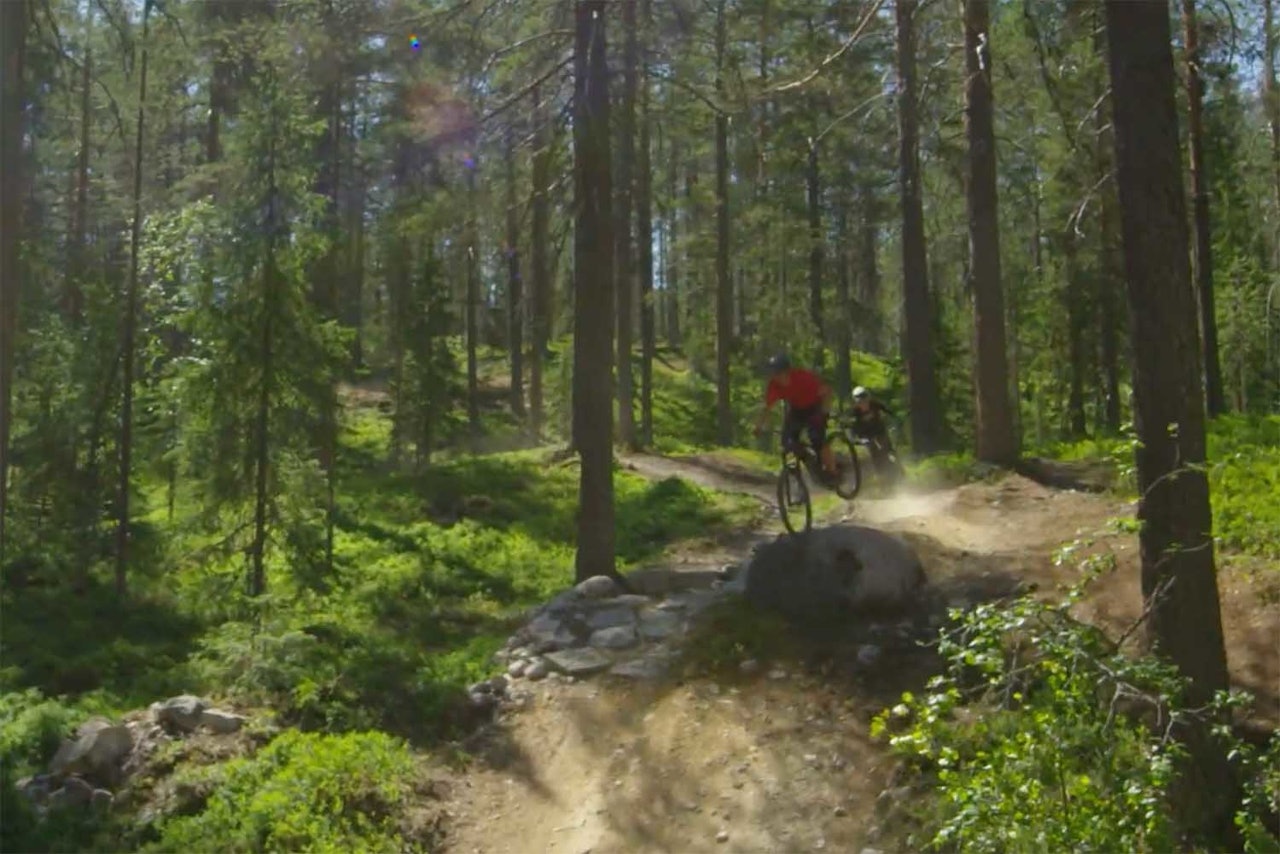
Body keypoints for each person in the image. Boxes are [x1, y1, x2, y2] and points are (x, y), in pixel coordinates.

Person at [753, 354, 837, 477]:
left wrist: (824, 413)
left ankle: (832, 471)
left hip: (815, 407)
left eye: (779, 373)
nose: (777, 377)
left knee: (817, 439)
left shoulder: (803, 378)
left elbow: (827, 391)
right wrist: (759, 427)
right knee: (787, 442)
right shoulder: (774, 386)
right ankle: (802, 472)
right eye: (774, 374)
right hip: (797, 410)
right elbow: (767, 408)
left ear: (787, 371)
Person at [848, 386, 897, 466]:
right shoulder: (854, 413)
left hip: (878, 429)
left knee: (885, 444)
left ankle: (893, 461)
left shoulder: (875, 404)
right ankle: (880, 471)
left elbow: (888, 411)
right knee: (872, 449)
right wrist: (854, 439)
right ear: (856, 403)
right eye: (860, 402)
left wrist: (894, 421)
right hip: (865, 434)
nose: (864, 404)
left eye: (865, 401)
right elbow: (851, 427)